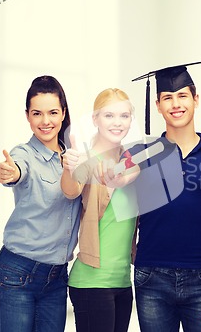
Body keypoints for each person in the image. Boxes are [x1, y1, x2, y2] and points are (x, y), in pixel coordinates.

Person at [129, 61, 201, 332]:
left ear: (196, 99)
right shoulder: (140, 156)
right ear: (157, 105)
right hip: (151, 279)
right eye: (167, 98)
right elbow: (127, 214)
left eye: (182, 96)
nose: (175, 104)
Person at [0, 75, 82, 332]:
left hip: (55, 279)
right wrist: (11, 173)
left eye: (53, 112)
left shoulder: (74, 158)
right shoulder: (24, 154)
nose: (45, 121)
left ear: (63, 113)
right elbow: (17, 170)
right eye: (37, 113)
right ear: (28, 116)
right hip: (16, 274)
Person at [60, 88, 139, 332]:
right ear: (95, 119)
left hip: (123, 282)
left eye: (124, 116)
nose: (117, 123)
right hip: (92, 282)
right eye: (109, 116)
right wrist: (69, 167)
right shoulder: (84, 158)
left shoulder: (132, 160)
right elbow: (71, 190)